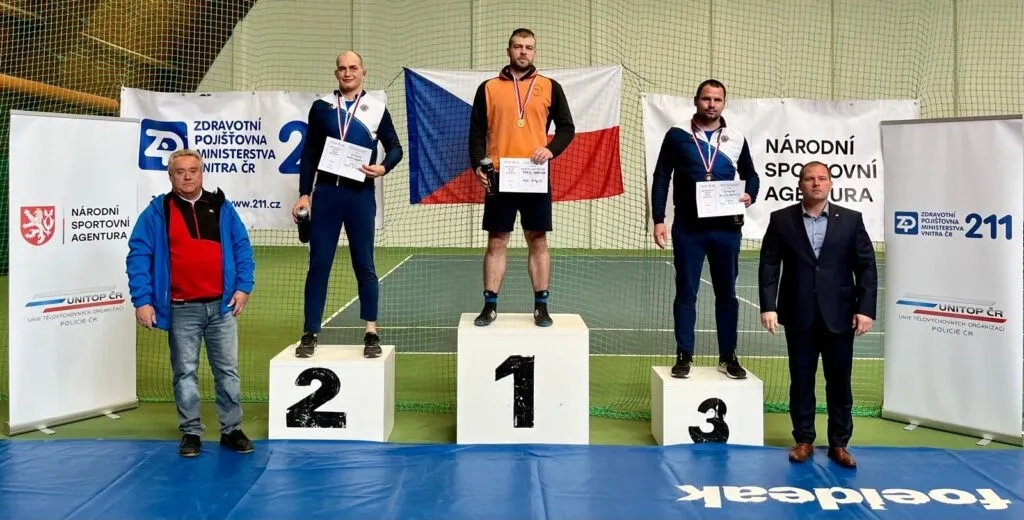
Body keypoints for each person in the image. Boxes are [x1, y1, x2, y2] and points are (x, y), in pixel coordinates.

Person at [126, 149, 256, 457]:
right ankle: (191, 432)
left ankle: (231, 430)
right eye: (180, 171)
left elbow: (242, 247)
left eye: (193, 170)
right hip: (181, 308)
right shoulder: (158, 211)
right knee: (184, 372)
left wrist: (244, 287)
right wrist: (142, 300)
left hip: (222, 308)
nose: (187, 176)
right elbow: (138, 255)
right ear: (170, 176)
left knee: (228, 372)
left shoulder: (222, 207)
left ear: (201, 173)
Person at [757, 161, 877, 469]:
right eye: (810, 178)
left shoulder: (851, 220)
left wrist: (865, 309)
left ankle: (839, 444)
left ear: (830, 184)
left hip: (841, 315)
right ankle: (803, 441)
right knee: (801, 381)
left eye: (822, 178)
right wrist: (768, 306)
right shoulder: (781, 219)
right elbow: (769, 264)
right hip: (798, 314)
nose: (816, 183)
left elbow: (866, 267)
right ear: (800, 184)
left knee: (840, 383)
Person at [292, 50, 403, 358]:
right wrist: (304, 194)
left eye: (353, 67)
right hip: (327, 193)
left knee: (364, 264)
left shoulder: (376, 109)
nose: (348, 72)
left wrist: (383, 167)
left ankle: (371, 332)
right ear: (336, 73)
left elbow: (395, 147)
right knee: (319, 264)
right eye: (342, 68)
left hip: (360, 195)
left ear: (363, 72)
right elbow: (309, 153)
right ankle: (310, 332)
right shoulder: (322, 107)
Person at [650, 79, 759, 379]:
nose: (712, 104)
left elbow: (751, 175)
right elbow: (662, 177)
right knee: (686, 292)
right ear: (696, 101)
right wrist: (658, 219)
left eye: (717, 100)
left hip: (726, 229)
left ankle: (728, 357)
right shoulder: (677, 135)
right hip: (689, 229)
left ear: (724, 103)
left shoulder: (735, 138)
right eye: (706, 99)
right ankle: (684, 355)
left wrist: (750, 193)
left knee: (727, 293)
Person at [468, 27, 575, 328]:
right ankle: (489, 305)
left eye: (529, 47)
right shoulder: (488, 88)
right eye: (518, 46)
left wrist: (550, 150)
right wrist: (478, 165)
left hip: (533, 175)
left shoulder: (550, 86)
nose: (523, 52)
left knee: (537, 239)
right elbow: (476, 132)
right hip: (500, 174)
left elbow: (567, 128)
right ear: (509, 51)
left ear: (534, 51)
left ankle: (541, 305)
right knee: (497, 240)